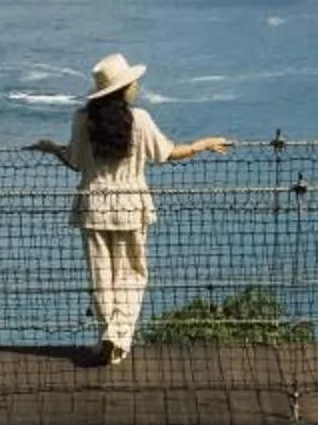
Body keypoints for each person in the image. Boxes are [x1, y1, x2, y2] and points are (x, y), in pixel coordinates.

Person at [26, 53, 231, 363]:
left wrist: (53, 149)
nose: (137, 86)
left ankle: (106, 338)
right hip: (130, 205)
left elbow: (76, 161)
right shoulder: (140, 120)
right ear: (122, 90)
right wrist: (203, 144)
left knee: (101, 276)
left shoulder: (82, 119)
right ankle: (117, 337)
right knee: (132, 274)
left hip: (92, 204)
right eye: (133, 83)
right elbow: (167, 153)